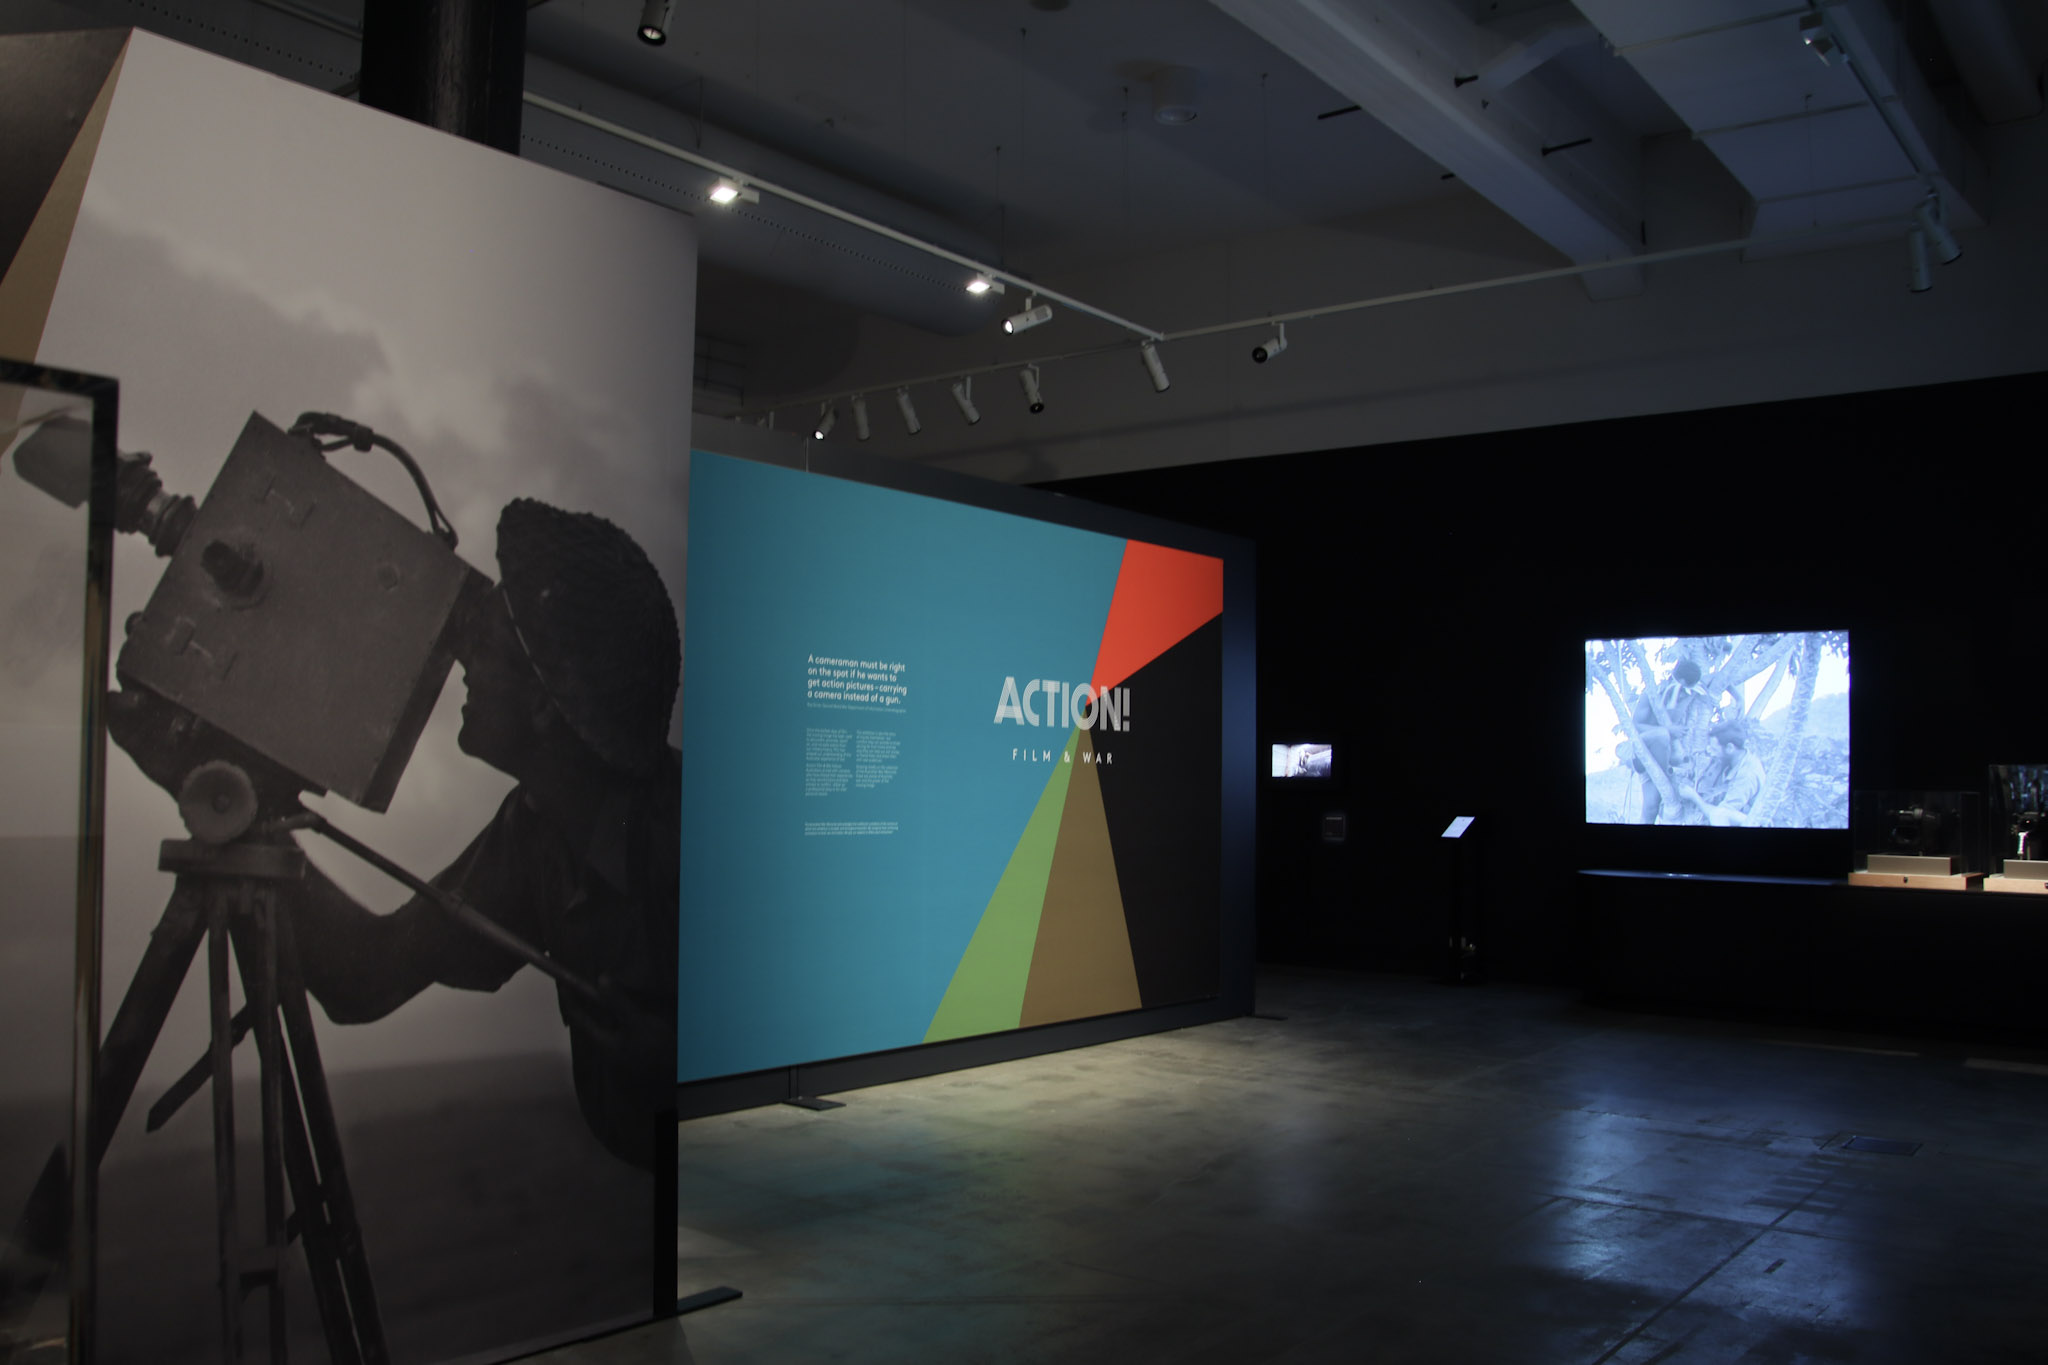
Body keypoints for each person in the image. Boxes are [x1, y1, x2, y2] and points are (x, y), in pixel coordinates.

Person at [286, 499, 681, 1169]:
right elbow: (368, 976)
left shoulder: (699, 843)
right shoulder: (536, 827)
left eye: (488, 638)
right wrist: (247, 816)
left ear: (541, 701)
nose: (461, 650)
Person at [1628, 658, 1709, 824]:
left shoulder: (1690, 694)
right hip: (1648, 748)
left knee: (1651, 807)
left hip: (1666, 759)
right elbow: (1634, 726)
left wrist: (1739, 699)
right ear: (1683, 682)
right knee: (1662, 735)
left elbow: (1719, 678)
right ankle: (1666, 777)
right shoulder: (1653, 694)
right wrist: (1666, 730)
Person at [1681, 720, 1768, 828]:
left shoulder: (1747, 774)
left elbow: (1721, 816)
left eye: (1714, 749)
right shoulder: (1735, 758)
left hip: (1754, 823)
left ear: (1730, 748)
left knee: (1719, 814)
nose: (1711, 752)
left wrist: (1694, 797)